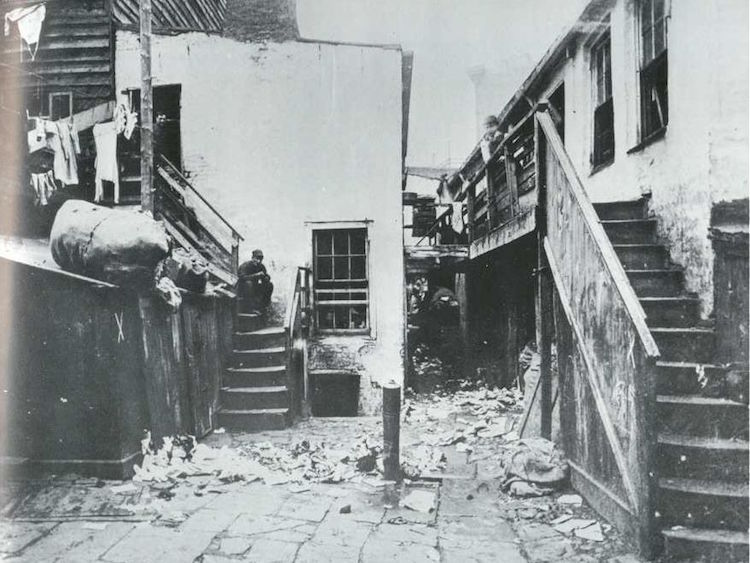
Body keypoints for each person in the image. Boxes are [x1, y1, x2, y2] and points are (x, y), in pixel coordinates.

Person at [237, 249, 273, 313]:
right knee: (248, 283)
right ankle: (250, 309)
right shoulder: (245, 265)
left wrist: (266, 278)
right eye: (257, 258)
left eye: (260, 259)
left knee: (269, 285)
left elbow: (266, 275)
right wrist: (256, 275)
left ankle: (264, 307)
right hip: (243, 289)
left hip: (254, 288)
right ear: (252, 258)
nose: (258, 261)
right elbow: (242, 278)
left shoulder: (261, 266)